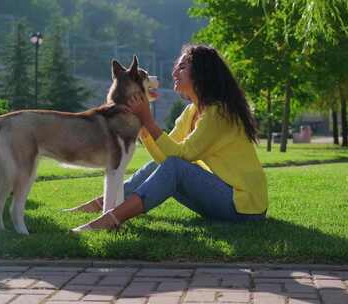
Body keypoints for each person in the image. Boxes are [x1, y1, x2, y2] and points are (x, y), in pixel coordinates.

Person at [70, 44, 268, 232]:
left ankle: (110, 219)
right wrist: (142, 126)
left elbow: (182, 156)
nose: (174, 73)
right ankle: (98, 205)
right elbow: (163, 156)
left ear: (201, 72)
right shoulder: (191, 112)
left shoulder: (218, 113)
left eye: (181, 68)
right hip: (226, 200)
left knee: (175, 167)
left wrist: (147, 119)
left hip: (245, 206)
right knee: (155, 166)